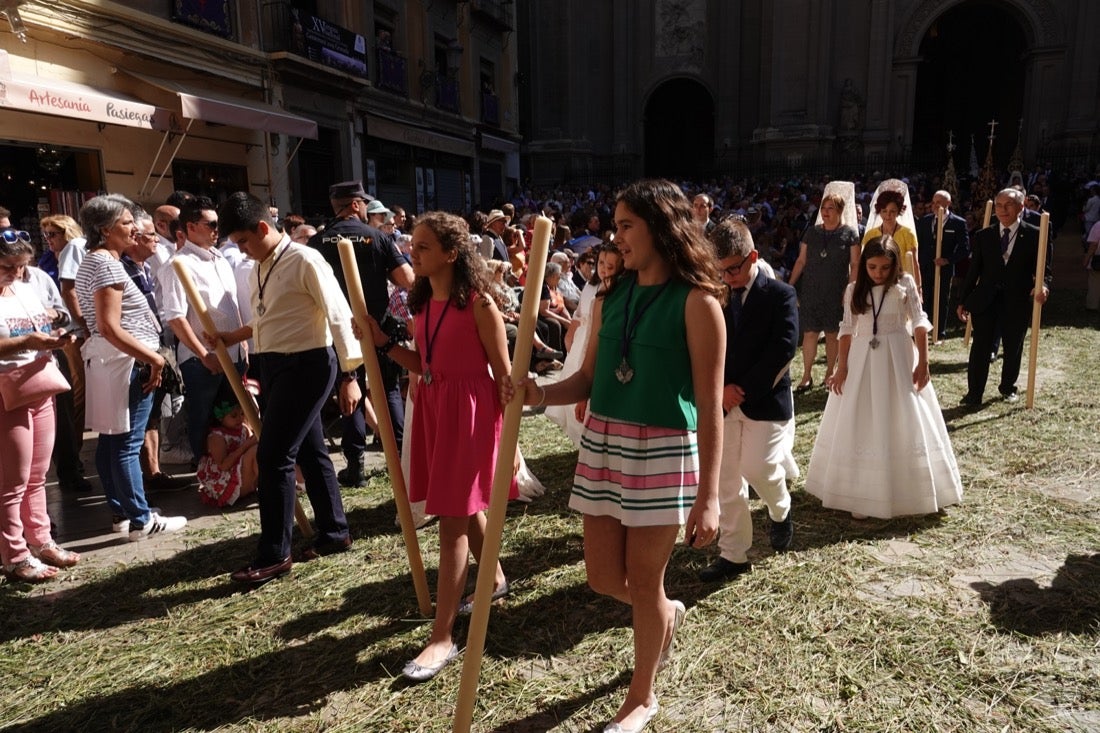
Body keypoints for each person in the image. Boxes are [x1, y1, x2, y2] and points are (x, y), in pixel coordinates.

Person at [505, 179, 725, 733]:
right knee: (603, 577)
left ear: (660, 226)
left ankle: (641, 697)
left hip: (664, 451)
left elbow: (710, 405)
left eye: (627, 225)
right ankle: (664, 615)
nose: (616, 236)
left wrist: (710, 497)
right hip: (604, 445)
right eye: (617, 226)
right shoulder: (607, 298)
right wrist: (539, 393)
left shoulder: (699, 304)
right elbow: (585, 378)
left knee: (645, 581)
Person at [362, 211, 514, 683]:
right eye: (414, 244)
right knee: (462, 509)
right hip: (433, 406)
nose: (413, 252)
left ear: (451, 253)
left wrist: (511, 408)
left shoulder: (480, 305)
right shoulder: (423, 302)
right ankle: (494, 578)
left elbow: (503, 374)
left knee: (452, 521)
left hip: (468, 415)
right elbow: (422, 361)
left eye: (423, 247)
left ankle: (442, 636)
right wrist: (383, 343)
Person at [212, 192, 361, 584]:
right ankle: (334, 531)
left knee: (275, 455)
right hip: (276, 364)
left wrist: (350, 377)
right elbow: (270, 317)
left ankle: (274, 554)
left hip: (308, 364)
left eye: (244, 241)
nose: (242, 252)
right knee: (310, 452)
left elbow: (339, 315)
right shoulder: (259, 265)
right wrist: (234, 336)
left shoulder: (305, 259)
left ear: (263, 227)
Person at [806, 237, 963, 518]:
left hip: (898, 357)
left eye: (885, 267)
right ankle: (861, 494)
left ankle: (906, 488)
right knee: (863, 416)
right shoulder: (854, 290)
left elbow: (919, 323)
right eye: (873, 267)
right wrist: (841, 368)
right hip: (862, 359)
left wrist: (924, 362)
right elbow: (846, 329)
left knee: (901, 413)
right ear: (864, 265)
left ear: (895, 266)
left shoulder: (905, 286)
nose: (878, 273)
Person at [75, 194, 187, 540]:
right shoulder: (106, 264)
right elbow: (109, 325)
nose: (134, 230)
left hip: (114, 361)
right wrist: (152, 357)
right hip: (127, 363)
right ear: (106, 229)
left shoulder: (95, 261)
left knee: (112, 441)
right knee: (126, 442)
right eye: (127, 223)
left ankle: (123, 513)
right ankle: (141, 517)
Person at [698, 217, 798, 582]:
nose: (728, 277)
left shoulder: (780, 295)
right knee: (726, 479)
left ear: (753, 256)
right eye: (721, 271)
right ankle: (733, 553)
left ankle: (781, 508)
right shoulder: (714, 296)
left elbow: (783, 350)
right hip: (723, 402)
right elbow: (705, 347)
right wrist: (721, 389)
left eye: (734, 269)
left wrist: (744, 389)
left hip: (765, 400)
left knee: (757, 468)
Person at [311, 180, 413, 487]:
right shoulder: (377, 238)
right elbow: (407, 278)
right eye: (365, 204)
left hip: (336, 332)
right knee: (388, 390)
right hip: (376, 326)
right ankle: (402, 455)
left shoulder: (316, 244)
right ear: (356, 205)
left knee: (349, 393)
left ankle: (355, 465)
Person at [0, 234, 82, 582]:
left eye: (21, 266)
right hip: (7, 391)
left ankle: (41, 540)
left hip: (40, 384)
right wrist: (27, 341)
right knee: (11, 481)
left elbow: (47, 322)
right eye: (8, 267)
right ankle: (15, 556)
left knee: (37, 475)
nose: (17, 273)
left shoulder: (25, 287)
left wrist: (60, 335)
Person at [159, 195, 245, 466]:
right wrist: (203, 354)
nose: (217, 229)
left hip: (233, 353)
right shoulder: (178, 265)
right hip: (202, 360)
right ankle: (207, 473)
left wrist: (242, 344)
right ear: (191, 226)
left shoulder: (219, 257)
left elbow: (231, 304)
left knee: (233, 416)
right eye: (211, 224)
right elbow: (175, 317)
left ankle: (233, 471)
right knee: (202, 418)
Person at [957, 188, 1052, 406]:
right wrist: (963, 300)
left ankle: (1008, 387)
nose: (1002, 210)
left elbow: (1044, 269)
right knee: (980, 347)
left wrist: (1043, 285)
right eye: (999, 205)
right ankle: (974, 394)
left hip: (1017, 300)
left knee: (1013, 346)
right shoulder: (984, 235)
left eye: (1008, 205)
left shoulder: (1037, 234)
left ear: (1021, 207)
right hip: (986, 299)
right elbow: (974, 271)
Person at [545, 243, 623, 447]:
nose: (604, 269)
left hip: (596, 342)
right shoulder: (591, 286)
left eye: (610, 266)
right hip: (581, 339)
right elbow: (579, 314)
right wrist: (570, 335)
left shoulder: (618, 292)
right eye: (601, 263)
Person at [37, 215, 93, 493]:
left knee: (76, 397)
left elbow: (67, 292)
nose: (49, 239)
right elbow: (66, 291)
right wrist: (81, 322)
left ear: (67, 232)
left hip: (71, 332)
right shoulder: (47, 261)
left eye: (54, 234)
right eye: (46, 234)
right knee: (75, 396)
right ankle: (72, 458)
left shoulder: (74, 249)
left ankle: (72, 457)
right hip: (69, 334)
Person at [787, 183, 861, 392]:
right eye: (823, 208)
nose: (825, 212)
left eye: (830, 208)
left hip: (836, 290)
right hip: (811, 289)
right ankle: (807, 375)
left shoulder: (850, 234)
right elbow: (801, 261)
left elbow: (855, 264)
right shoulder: (811, 232)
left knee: (831, 333)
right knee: (809, 333)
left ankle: (830, 372)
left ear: (839, 211)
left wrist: (850, 290)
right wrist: (790, 285)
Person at [916, 190, 970, 340]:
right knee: (924, 297)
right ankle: (924, 328)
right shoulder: (925, 221)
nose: (935, 205)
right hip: (926, 267)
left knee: (942, 298)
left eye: (939, 202)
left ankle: (939, 330)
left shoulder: (958, 223)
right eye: (934, 202)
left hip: (944, 268)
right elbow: (918, 244)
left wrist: (948, 260)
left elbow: (964, 248)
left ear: (948, 203)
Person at [196, 400, 259, 507]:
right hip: (226, 482)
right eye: (234, 416)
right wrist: (245, 446)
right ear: (221, 417)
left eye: (242, 414)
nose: (240, 419)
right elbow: (223, 465)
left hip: (244, 477)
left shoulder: (244, 429)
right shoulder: (216, 436)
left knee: (262, 449)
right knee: (255, 451)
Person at [863, 179, 920, 289]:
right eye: (884, 211)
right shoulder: (870, 235)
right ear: (879, 211)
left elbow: (915, 263)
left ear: (898, 212)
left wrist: (918, 288)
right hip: (876, 284)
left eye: (892, 211)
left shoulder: (908, 234)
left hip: (901, 284)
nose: (888, 215)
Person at [1083, 220, 1100, 311]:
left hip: (1098, 260)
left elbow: (1093, 244)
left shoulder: (1098, 225)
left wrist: (1086, 259)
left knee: (1094, 284)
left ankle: (1092, 306)